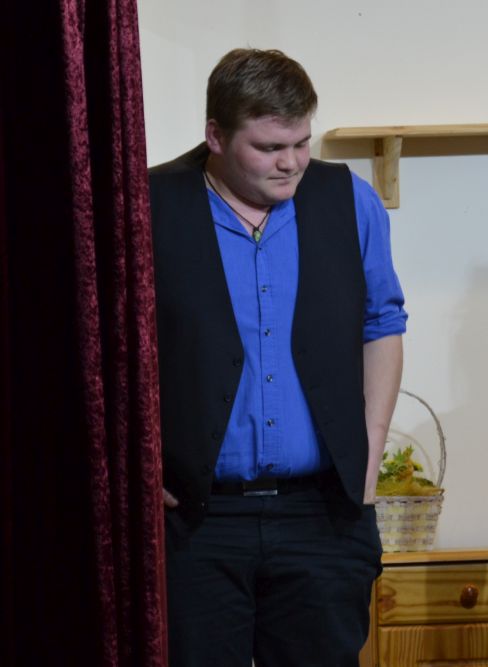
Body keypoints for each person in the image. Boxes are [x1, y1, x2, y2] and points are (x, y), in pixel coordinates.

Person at [148, 48, 406, 667]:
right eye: (268, 148)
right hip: (197, 522)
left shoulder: (351, 200)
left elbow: (383, 324)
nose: (290, 162)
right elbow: (105, 349)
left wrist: (369, 456)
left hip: (324, 516)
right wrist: (132, 460)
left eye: (301, 143)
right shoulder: (150, 204)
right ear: (215, 135)